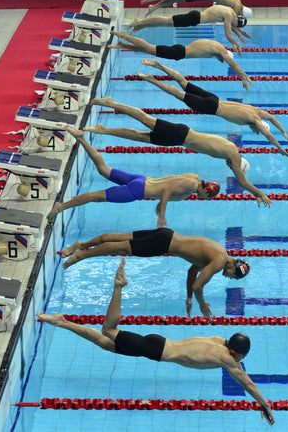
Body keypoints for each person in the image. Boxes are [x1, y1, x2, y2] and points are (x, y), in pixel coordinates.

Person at [37, 258, 274, 425]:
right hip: (155, 349)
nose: (241, 361)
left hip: (158, 345)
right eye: (242, 356)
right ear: (237, 352)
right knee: (109, 331)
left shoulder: (219, 341)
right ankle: (118, 286)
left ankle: (62, 322)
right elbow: (248, 384)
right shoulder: (227, 358)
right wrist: (265, 404)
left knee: (105, 344)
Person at [84, 98, 272, 207]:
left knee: (140, 137)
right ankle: (111, 103)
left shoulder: (228, 153)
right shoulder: (231, 153)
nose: (230, 168)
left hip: (179, 140)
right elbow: (242, 181)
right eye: (234, 167)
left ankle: (104, 129)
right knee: (145, 120)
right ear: (238, 163)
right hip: (181, 134)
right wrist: (259, 193)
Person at [48, 125, 220, 228]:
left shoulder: (194, 177)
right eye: (207, 196)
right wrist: (162, 215)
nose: (204, 198)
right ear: (205, 190)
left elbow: (166, 190)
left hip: (141, 179)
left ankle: (82, 139)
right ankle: (60, 207)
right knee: (96, 197)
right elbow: (167, 190)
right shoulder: (191, 186)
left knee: (103, 169)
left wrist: (160, 207)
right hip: (138, 189)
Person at [60, 228, 251, 318]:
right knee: (122, 247)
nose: (229, 278)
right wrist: (201, 304)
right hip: (164, 244)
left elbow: (192, 270)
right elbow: (198, 285)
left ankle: (81, 245)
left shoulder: (219, 252)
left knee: (121, 236)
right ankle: (81, 255)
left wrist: (189, 298)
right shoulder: (218, 263)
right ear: (234, 269)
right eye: (233, 276)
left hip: (167, 234)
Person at [138, 59, 288, 157]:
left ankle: (160, 66)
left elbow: (272, 118)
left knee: (184, 83)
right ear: (259, 126)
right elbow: (269, 135)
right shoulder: (255, 119)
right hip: (211, 107)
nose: (256, 130)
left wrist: (284, 131)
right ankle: (152, 80)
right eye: (257, 130)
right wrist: (279, 147)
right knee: (178, 93)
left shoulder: (257, 111)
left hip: (214, 98)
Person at [108, 31, 253, 91]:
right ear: (224, 56)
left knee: (151, 50)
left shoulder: (217, 46)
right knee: (149, 47)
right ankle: (124, 36)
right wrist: (243, 76)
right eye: (222, 59)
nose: (220, 60)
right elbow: (232, 64)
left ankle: (124, 45)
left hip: (180, 51)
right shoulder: (220, 51)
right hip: (179, 52)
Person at [128, 5, 251, 56]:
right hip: (194, 18)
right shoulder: (229, 17)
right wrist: (237, 43)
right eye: (235, 24)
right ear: (237, 19)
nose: (233, 25)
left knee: (167, 23)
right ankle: (139, 21)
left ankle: (141, 25)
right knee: (167, 21)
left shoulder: (230, 11)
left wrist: (241, 33)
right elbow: (228, 34)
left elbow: (233, 27)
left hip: (195, 17)